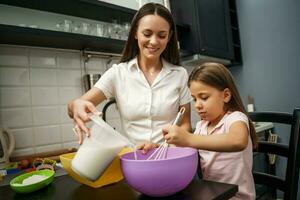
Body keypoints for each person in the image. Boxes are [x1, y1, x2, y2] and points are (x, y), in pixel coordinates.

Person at [68, 3, 192, 146]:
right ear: (135, 33)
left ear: (169, 36)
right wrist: (75, 105)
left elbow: (185, 125)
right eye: (147, 34)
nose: (154, 41)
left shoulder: (179, 74)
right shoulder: (118, 73)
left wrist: (166, 147)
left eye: (161, 35)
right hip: (134, 161)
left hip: (169, 158)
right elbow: (75, 107)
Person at [162, 62, 257, 199]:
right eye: (194, 99)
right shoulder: (202, 126)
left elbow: (238, 141)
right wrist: (161, 147)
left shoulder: (235, 118)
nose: (197, 105)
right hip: (214, 195)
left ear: (225, 95)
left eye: (204, 98)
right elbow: (186, 151)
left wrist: (188, 138)